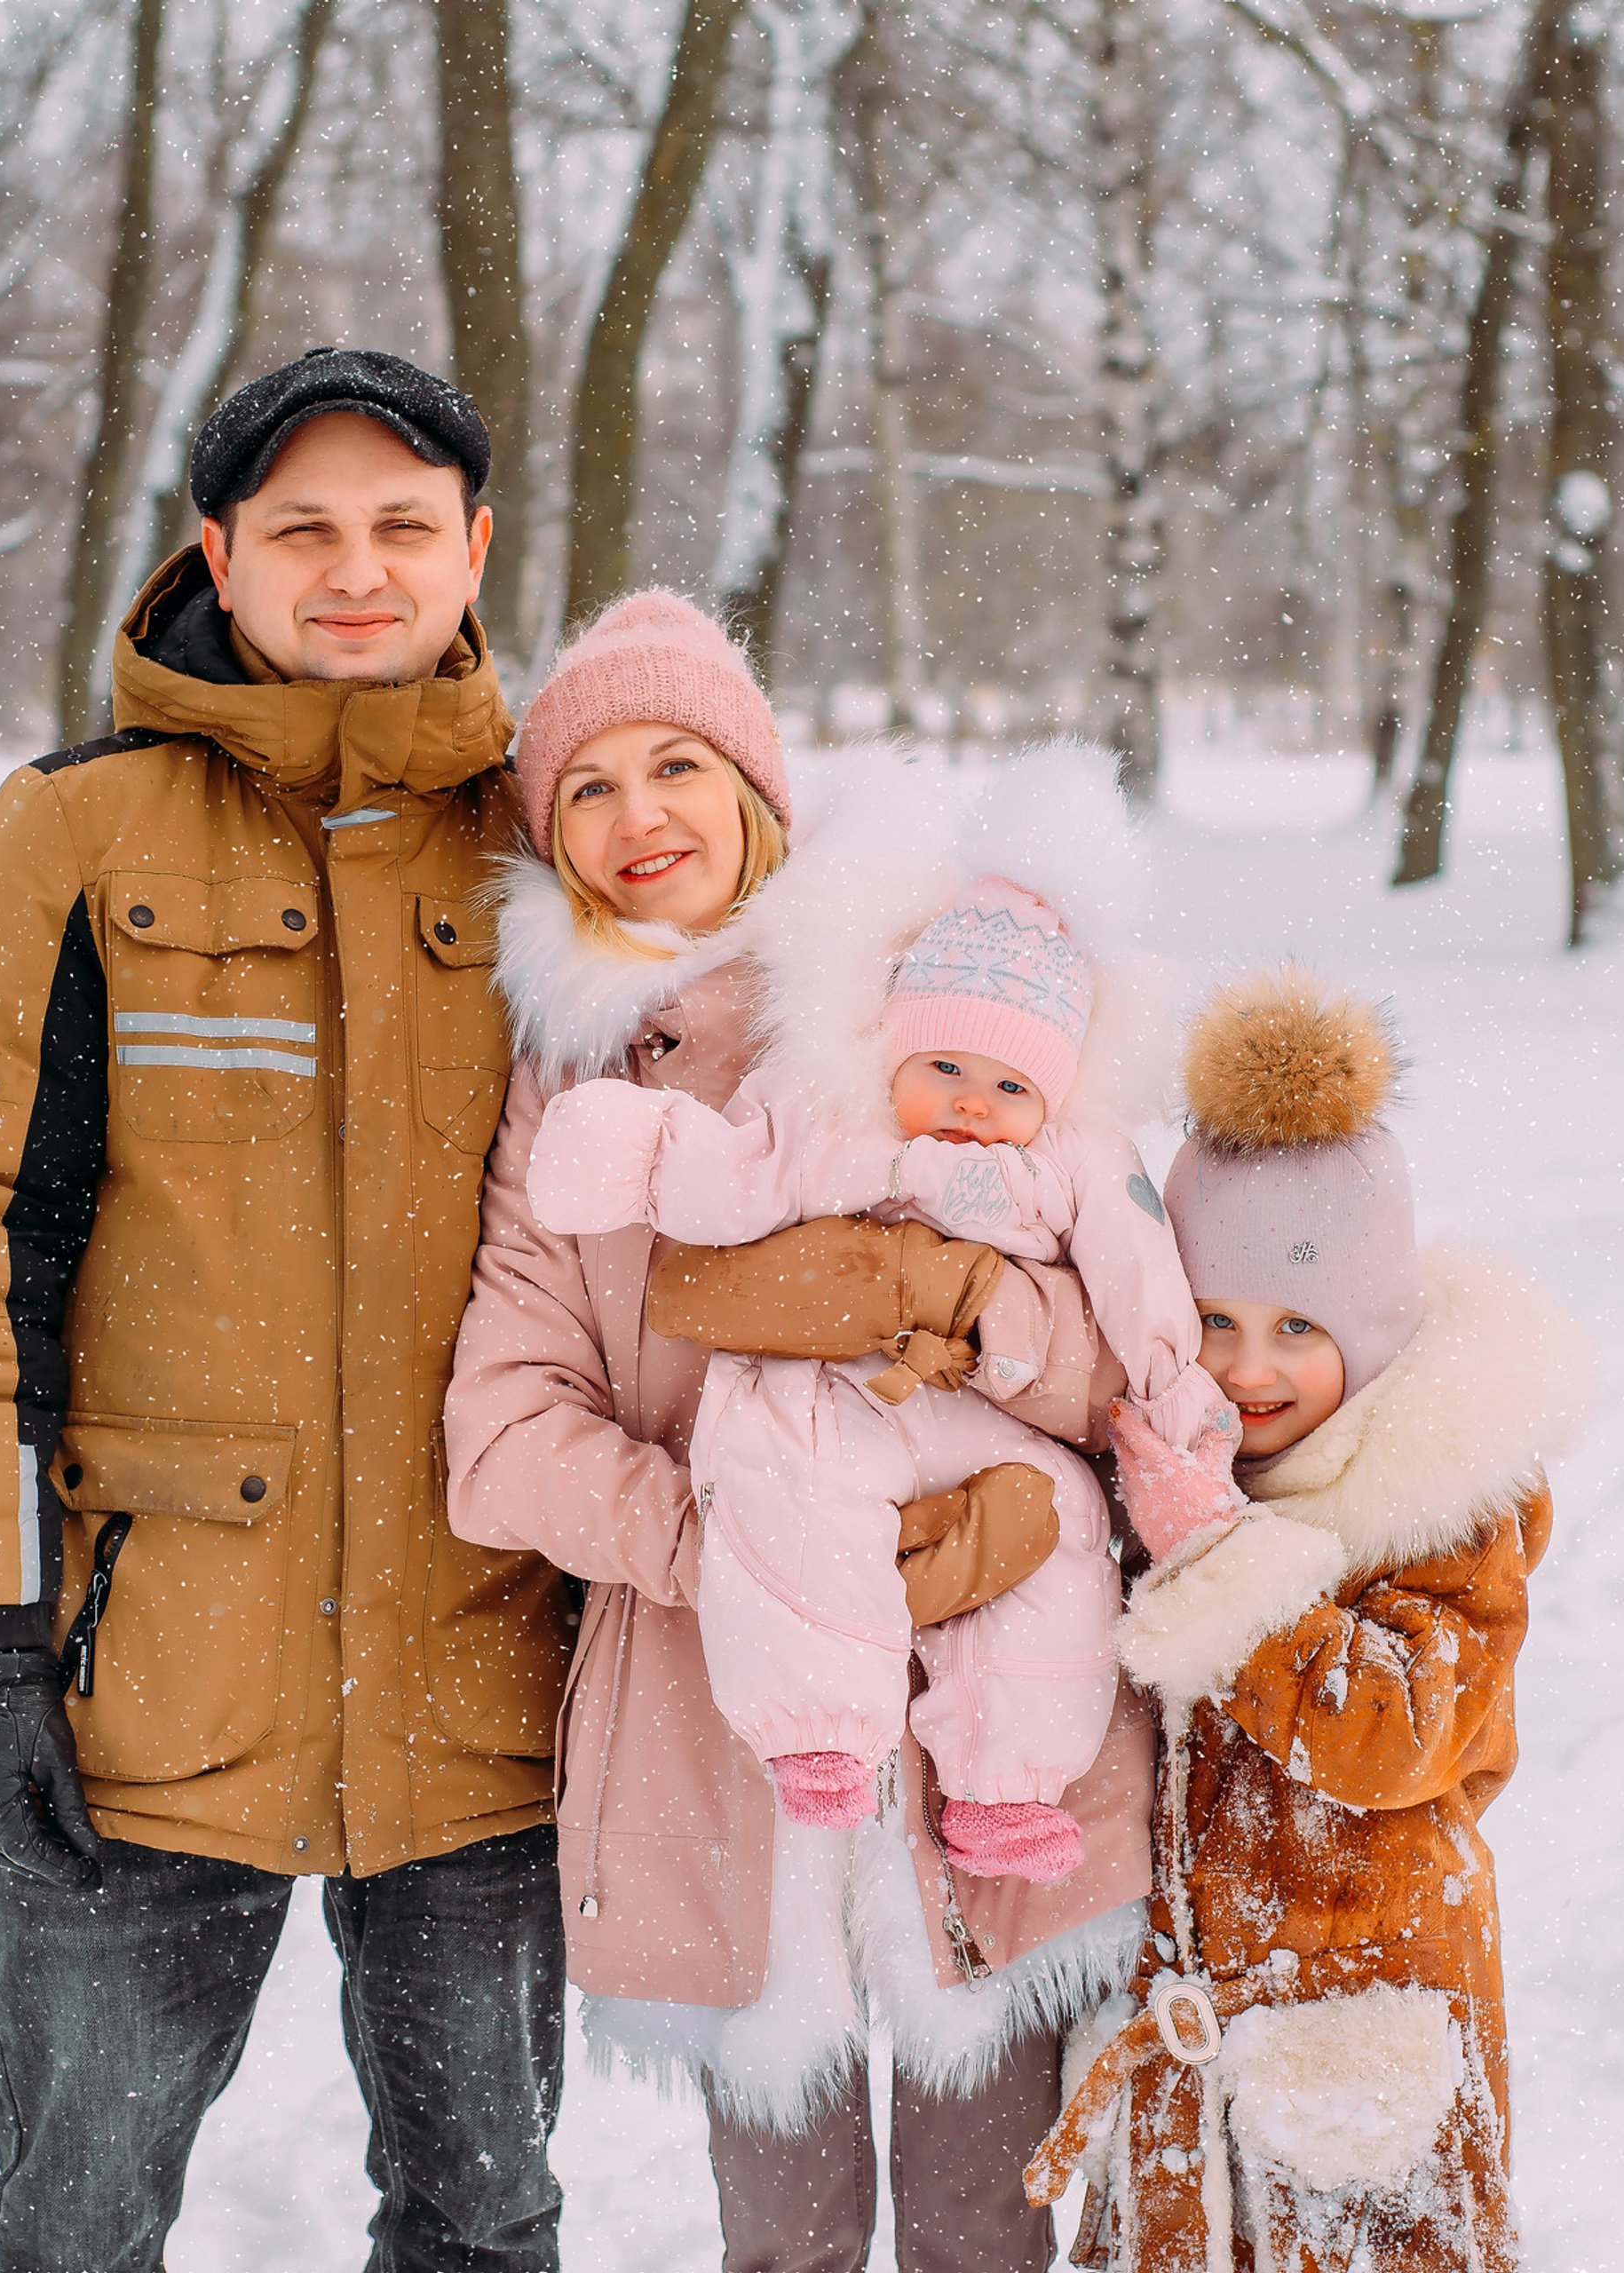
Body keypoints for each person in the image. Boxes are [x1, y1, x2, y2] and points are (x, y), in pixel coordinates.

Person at [0, 346, 572, 2272]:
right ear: (218, 550)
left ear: (472, 547)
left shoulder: (548, 841)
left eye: (400, 528)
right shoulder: (72, 833)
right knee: (76, 2215)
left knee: (488, 2213)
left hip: (485, 1666)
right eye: (304, 530)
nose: (355, 570)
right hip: (142, 1671)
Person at [445, 591, 1161, 2272]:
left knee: (993, 2222)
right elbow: (502, 1429)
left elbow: (1131, 1332)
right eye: (592, 789)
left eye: (676, 765)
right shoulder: (571, 1087)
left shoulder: (938, 995)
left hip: (986, 1687)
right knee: (787, 2241)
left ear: (755, 788)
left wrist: (979, 1322)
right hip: (726, 1733)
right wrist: (756, 1548)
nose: (641, 822)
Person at [518, 755, 1238, 1885]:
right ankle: (819, 1732)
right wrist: (641, 1151)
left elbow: (1142, 1279)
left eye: (1009, 1088)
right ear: (896, 1045)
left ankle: (1007, 1782)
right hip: (835, 1396)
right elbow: (731, 1178)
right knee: (781, 1475)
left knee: (1055, 1535)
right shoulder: (826, 1118)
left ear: (1054, 1095)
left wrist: (1177, 1402)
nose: (969, 1105)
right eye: (943, 1064)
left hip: (983, 1407)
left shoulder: (1078, 1162)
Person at [1028, 968, 1594, 2273]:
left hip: (1363, 2046)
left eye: (1298, 1326)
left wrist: (1222, 1562)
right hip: (1179, 2047)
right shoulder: (1155, 1482)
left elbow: (1392, 1733)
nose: (1248, 1368)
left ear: (1377, 1331)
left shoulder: (1447, 1512)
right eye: (1212, 1321)